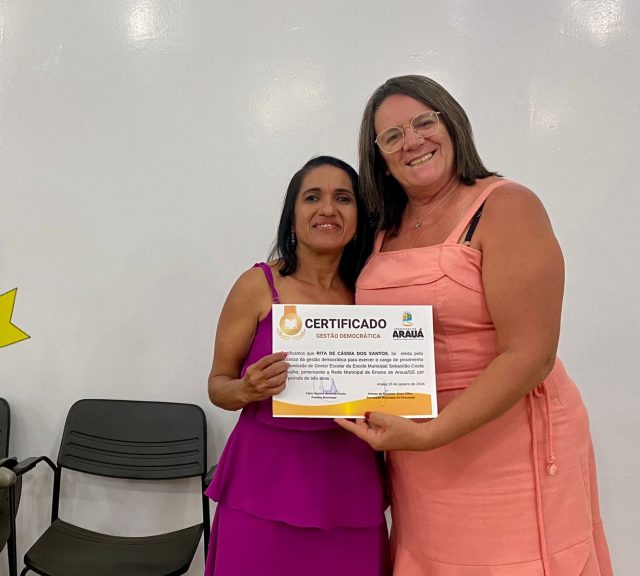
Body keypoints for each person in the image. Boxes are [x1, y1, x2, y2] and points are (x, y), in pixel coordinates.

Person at [335, 76, 613, 575]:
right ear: (379, 156)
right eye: (392, 136)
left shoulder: (506, 206)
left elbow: (531, 355)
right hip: (415, 453)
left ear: (452, 124)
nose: (412, 141)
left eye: (423, 122)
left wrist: (432, 434)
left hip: (507, 450)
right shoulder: (380, 228)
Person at [205, 156, 390, 576]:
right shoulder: (257, 286)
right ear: (292, 216)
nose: (328, 208)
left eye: (343, 198)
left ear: (359, 218)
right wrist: (246, 389)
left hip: (349, 482)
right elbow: (218, 385)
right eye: (312, 197)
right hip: (262, 482)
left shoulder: (373, 293)